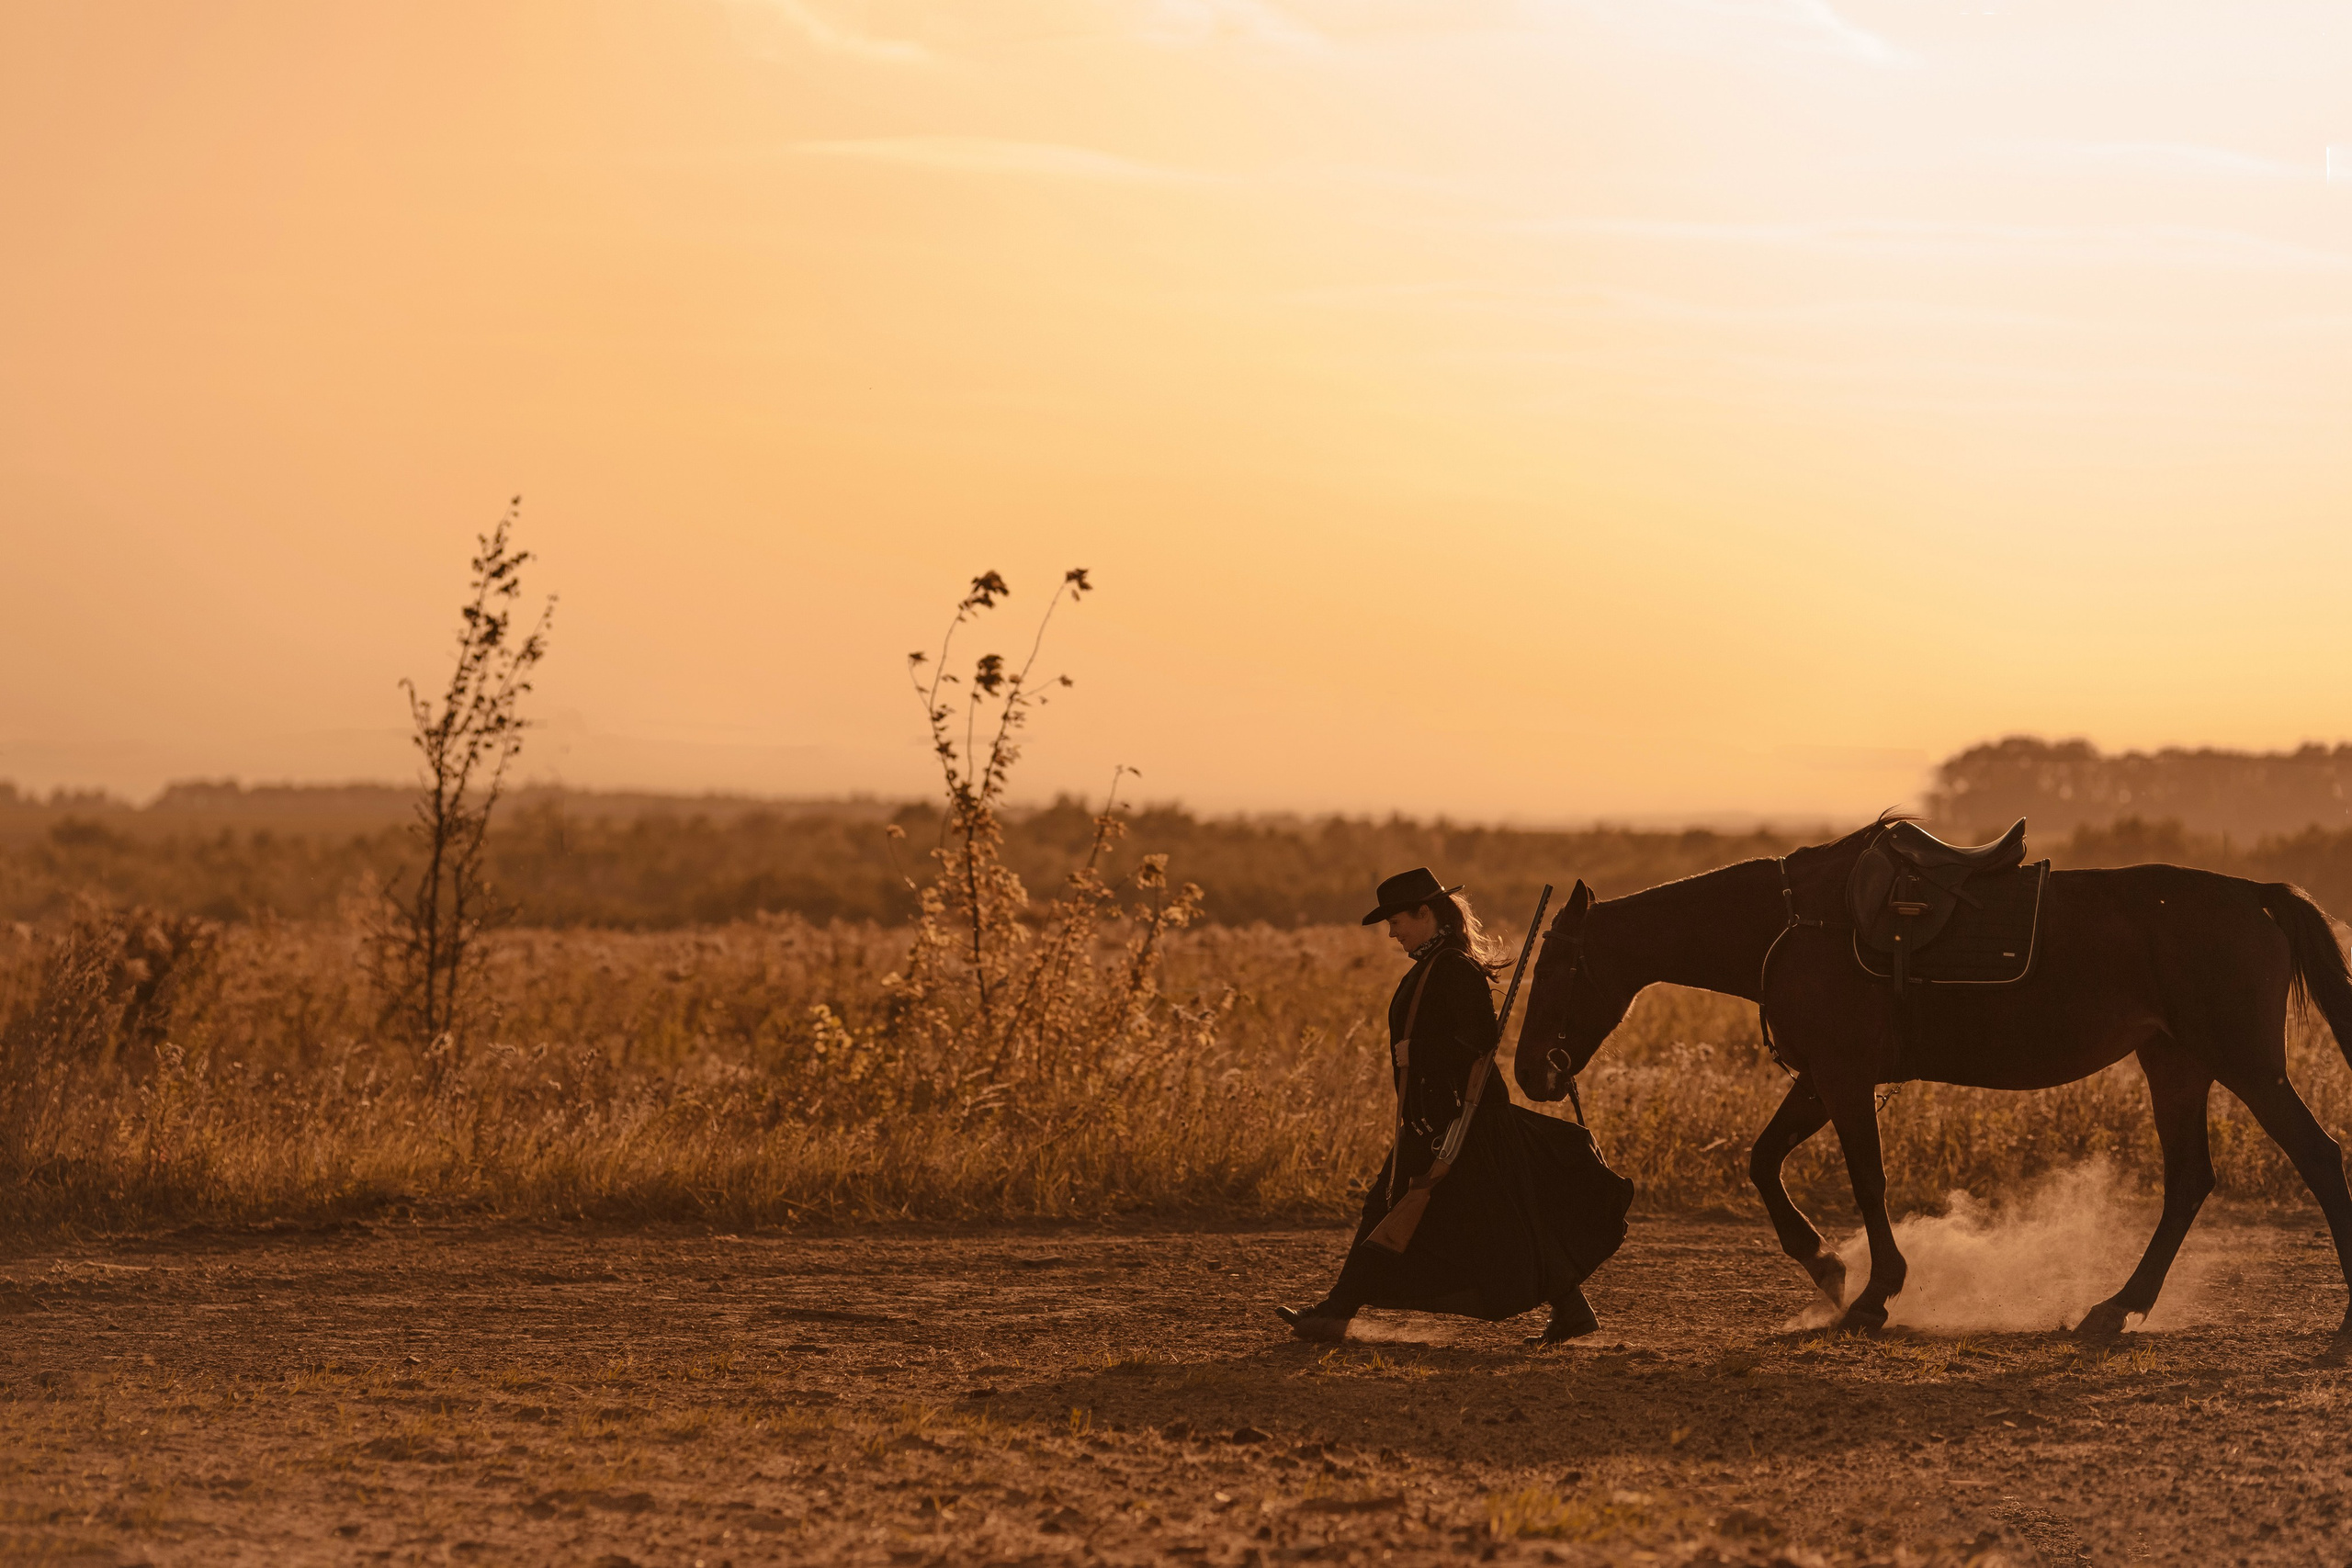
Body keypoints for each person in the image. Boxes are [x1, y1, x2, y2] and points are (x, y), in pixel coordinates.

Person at [1275, 867, 1606, 1348]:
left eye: (1396, 921)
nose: (1392, 932)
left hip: (1457, 1118)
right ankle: (1571, 1309)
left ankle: (1336, 1311)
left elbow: (1479, 1038)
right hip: (1443, 1116)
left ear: (1424, 913)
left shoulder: (1451, 966)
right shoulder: (1440, 962)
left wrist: (1420, 1055)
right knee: (1499, 1220)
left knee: (1392, 1210)